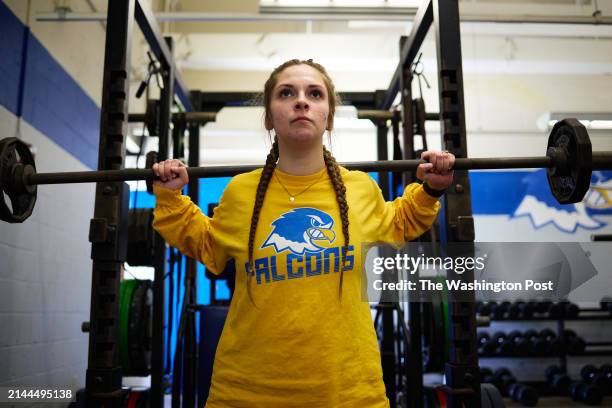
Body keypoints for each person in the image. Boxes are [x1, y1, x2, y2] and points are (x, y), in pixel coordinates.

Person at [152, 59, 454, 408]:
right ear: (269, 116)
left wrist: (430, 189)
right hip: (246, 392)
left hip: (347, 392)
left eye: (314, 93)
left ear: (329, 116)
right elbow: (205, 242)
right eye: (286, 93)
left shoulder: (359, 189)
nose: (301, 101)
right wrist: (170, 196)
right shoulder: (240, 193)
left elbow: (400, 221)